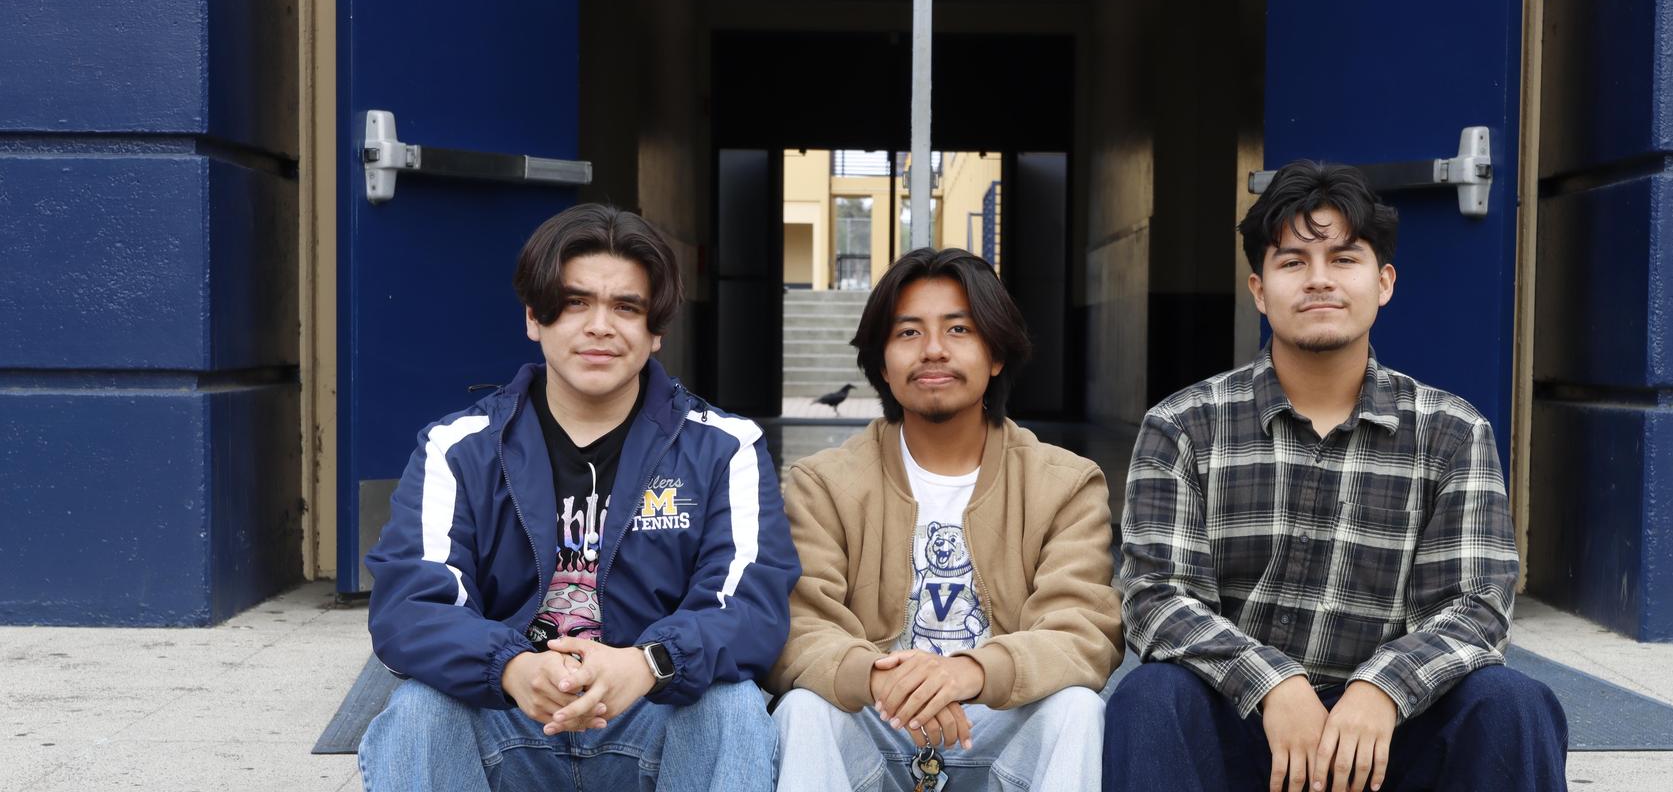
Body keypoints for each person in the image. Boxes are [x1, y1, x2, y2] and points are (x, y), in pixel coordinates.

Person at [1104, 161, 1568, 792]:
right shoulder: (1184, 426)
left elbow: (1475, 605)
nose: (1319, 280)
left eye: (1343, 259)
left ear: (1384, 283)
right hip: (1245, 730)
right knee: (1151, 699)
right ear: (1260, 291)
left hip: (1388, 738)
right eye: (1293, 262)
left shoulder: (1453, 431)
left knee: (1512, 703)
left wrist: (1383, 689)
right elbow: (1157, 599)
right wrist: (1275, 685)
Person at [358, 204, 801, 792]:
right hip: (509, 711)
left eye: (626, 307)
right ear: (533, 319)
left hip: (652, 710)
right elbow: (412, 604)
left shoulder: (724, 447)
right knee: (418, 712)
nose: (600, 326)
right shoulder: (460, 448)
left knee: (732, 709)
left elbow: (752, 607)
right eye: (575, 303)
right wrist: (511, 667)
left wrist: (647, 664)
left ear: (656, 329)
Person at [767, 248, 1122, 791]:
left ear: (996, 353)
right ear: (883, 363)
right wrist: (883, 678)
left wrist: (970, 672)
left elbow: (1082, 630)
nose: (933, 350)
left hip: (996, 723)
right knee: (802, 711)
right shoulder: (824, 484)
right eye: (908, 333)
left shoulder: (1064, 482)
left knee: (1077, 709)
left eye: (959, 329)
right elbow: (798, 628)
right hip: (877, 719)